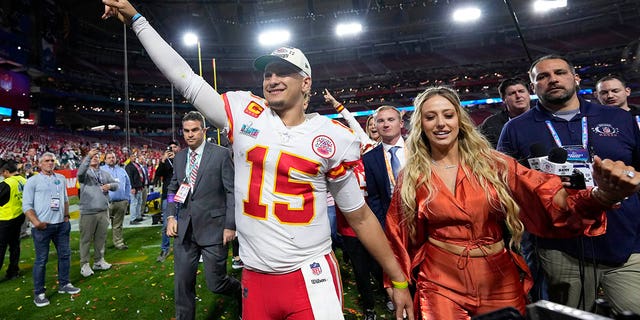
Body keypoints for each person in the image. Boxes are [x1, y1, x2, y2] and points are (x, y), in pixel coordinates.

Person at [101, 2, 414, 319]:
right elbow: (185, 79)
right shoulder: (243, 111)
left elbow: (359, 216)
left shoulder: (330, 135)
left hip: (310, 273)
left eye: (285, 73)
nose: (273, 79)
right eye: (268, 73)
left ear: (306, 82)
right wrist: (138, 21)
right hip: (255, 276)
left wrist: (398, 278)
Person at [386, 85, 640, 319]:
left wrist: (601, 196)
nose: (441, 123)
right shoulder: (411, 176)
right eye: (431, 117)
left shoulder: (494, 164)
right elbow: (396, 235)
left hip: (499, 277)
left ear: (460, 121)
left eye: (448, 115)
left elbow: (547, 194)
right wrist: (398, 285)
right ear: (421, 124)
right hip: (439, 280)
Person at [498, 55, 640, 314]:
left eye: (560, 72)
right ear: (533, 87)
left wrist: (623, 184)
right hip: (559, 249)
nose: (552, 79)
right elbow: (506, 187)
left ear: (575, 78)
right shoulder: (515, 129)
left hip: (626, 243)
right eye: (542, 76)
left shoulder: (619, 118)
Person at [163, 111, 240, 320]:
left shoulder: (221, 154)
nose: (190, 135)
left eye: (195, 130)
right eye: (186, 131)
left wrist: (230, 225)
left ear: (204, 130)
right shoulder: (179, 158)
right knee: (182, 284)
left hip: (214, 229)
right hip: (185, 232)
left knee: (216, 283)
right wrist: (171, 216)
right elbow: (172, 191)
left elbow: (231, 191)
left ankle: (241, 294)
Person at [324, 90, 385, 319]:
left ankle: (385, 293)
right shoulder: (338, 162)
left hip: (372, 220)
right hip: (349, 226)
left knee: (378, 264)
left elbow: (354, 124)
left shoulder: (370, 153)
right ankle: (369, 306)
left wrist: (338, 105)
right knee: (360, 270)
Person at [23, 152, 80, 307]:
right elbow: (26, 206)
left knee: (65, 255)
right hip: (43, 226)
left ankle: (64, 284)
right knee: (41, 260)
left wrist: (66, 217)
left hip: (61, 224)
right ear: (40, 163)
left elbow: (66, 200)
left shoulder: (60, 178)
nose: (49, 163)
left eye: (52, 160)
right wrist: (36, 223)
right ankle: (39, 293)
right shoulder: (33, 181)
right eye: (46, 161)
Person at [77, 149, 118, 277]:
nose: (95, 158)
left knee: (101, 238)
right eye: (92, 157)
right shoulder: (85, 174)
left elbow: (116, 185)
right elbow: (80, 173)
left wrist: (109, 186)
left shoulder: (104, 173)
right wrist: (88, 157)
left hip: (103, 210)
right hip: (88, 211)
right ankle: (84, 264)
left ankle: (98, 261)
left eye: (96, 156)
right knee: (86, 239)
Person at [478, 78, 531, 148]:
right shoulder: (491, 124)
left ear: (529, 94)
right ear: (503, 99)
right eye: (512, 93)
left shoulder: (544, 116)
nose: (518, 96)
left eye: (521, 91)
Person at [153, 141, 180, 262]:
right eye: (170, 148)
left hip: (182, 195)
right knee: (167, 222)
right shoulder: (165, 162)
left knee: (184, 221)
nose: (172, 150)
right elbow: (158, 175)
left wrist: (176, 160)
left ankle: (182, 246)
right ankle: (165, 248)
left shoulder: (183, 158)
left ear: (179, 148)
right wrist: (163, 161)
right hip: (169, 195)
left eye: (175, 147)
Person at [0, 159, 26, 280]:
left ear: (6, 171)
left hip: (5, 218)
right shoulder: (23, 180)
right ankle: (13, 271)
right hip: (19, 216)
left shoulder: (7, 183)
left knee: (1, 247)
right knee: (15, 245)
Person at [101, 151, 131, 250]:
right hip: (106, 203)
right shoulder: (101, 170)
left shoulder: (122, 170)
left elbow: (127, 184)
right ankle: (101, 246)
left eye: (113, 157)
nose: (111, 159)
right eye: (109, 157)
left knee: (118, 225)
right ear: (105, 160)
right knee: (103, 226)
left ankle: (118, 243)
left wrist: (127, 198)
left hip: (121, 202)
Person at [125, 150, 145, 224]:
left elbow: (140, 175)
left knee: (139, 202)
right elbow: (129, 177)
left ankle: (138, 216)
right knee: (134, 203)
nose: (134, 157)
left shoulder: (137, 164)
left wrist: (142, 185)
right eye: (133, 156)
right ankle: (133, 219)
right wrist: (132, 187)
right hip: (134, 187)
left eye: (135, 156)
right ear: (129, 157)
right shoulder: (128, 166)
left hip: (139, 186)